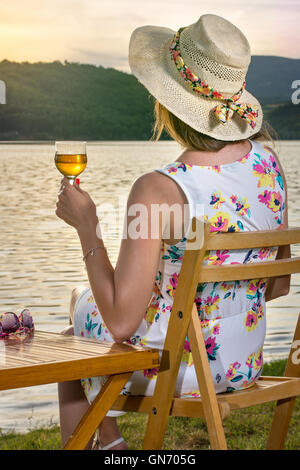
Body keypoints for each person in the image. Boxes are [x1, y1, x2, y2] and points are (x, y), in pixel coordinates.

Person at [55, 14, 290, 450]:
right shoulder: (268, 166)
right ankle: (108, 445)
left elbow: (122, 323)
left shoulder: (159, 188)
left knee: (81, 325)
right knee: (82, 334)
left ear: (168, 102)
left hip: (184, 370)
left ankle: (111, 447)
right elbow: (276, 286)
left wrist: (87, 228)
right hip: (244, 362)